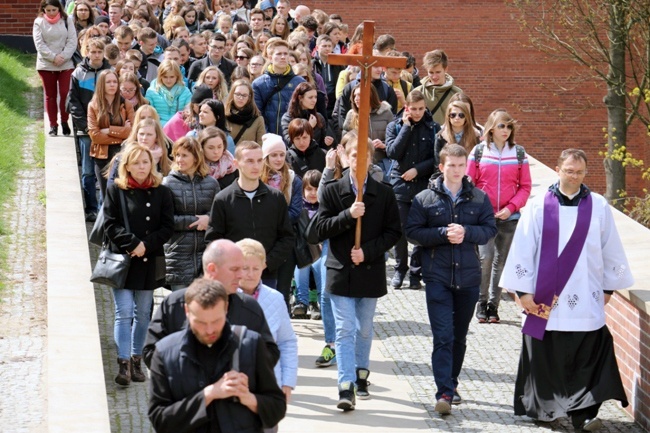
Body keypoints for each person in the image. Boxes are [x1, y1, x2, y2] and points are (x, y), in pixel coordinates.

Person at [499, 148, 634, 431]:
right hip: (544, 301)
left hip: (586, 295)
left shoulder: (597, 205)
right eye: (569, 171)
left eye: (580, 172)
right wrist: (523, 293)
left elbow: (611, 248)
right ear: (558, 169)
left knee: (588, 356)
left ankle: (584, 414)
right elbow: (523, 250)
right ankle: (547, 408)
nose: (574, 177)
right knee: (546, 357)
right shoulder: (538, 206)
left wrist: (609, 287)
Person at [405, 143, 497, 415]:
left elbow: (489, 230)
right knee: (443, 336)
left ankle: (453, 383)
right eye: (452, 165)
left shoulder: (479, 198)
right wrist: (443, 233)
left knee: (458, 337)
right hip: (437, 277)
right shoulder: (424, 199)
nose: (457, 170)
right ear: (441, 167)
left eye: (461, 165)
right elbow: (412, 232)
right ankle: (443, 392)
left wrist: (466, 231)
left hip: (469, 279)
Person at [314, 137, 401, 411]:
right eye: (353, 155)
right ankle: (345, 385)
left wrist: (368, 251)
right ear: (345, 158)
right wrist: (347, 215)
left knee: (364, 329)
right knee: (344, 329)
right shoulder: (331, 191)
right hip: (340, 271)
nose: (358, 160)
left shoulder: (384, 193)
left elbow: (394, 232)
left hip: (370, 271)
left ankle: (362, 372)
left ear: (370, 159)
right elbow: (315, 231)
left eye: (363, 156)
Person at [148, 279, 287, 433]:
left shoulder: (251, 344)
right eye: (200, 322)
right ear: (187, 311)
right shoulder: (164, 352)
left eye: (216, 321)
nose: (209, 330)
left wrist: (249, 398)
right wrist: (208, 395)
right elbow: (159, 420)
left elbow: (277, 407)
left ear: (226, 308)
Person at [143, 239, 280, 367]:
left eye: (241, 268)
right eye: (234, 269)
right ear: (212, 269)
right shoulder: (174, 304)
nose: (241, 275)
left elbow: (271, 353)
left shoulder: (249, 307)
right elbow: (150, 353)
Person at [102, 143, 174, 386]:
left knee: (143, 313)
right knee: (123, 313)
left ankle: (136, 358)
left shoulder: (162, 192)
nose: (141, 167)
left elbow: (167, 227)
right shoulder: (116, 190)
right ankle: (123, 363)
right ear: (127, 166)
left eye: (145, 162)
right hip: (122, 261)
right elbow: (110, 224)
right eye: (136, 163)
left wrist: (146, 245)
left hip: (149, 260)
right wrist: (133, 244)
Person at [467, 109, 532, 323]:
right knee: (485, 259)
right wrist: (480, 208)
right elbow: (470, 184)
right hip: (484, 217)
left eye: (509, 126)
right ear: (491, 128)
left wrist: (511, 207)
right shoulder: (478, 152)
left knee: (501, 262)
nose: (506, 130)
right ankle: (481, 301)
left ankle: (493, 306)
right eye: (502, 126)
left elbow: (525, 187)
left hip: (509, 218)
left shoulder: (519, 153)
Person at [205, 141, 295, 290]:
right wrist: (233, 265)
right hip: (233, 278)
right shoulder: (223, 199)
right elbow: (213, 241)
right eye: (250, 161)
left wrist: (265, 263)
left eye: (259, 160)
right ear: (236, 163)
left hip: (267, 276)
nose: (256, 166)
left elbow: (286, 237)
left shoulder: (276, 198)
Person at [385, 90, 439, 290]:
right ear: (406, 108)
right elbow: (392, 152)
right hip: (400, 184)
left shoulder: (433, 128)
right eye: (413, 109)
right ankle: (400, 269)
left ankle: (416, 271)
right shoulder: (395, 126)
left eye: (421, 109)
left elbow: (436, 159)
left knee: (420, 230)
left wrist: (417, 170)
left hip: (423, 184)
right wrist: (406, 128)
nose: (417, 113)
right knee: (399, 229)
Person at [236, 238, 298, 406]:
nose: (250, 274)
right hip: (234, 385)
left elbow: (287, 341)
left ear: (264, 266)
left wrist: (288, 381)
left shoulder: (275, 298)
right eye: (245, 268)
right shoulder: (223, 296)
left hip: (269, 384)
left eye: (255, 268)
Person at [163, 137, 220, 291]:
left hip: (205, 254)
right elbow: (165, 219)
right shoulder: (168, 183)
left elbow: (220, 215)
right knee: (181, 308)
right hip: (178, 254)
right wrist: (195, 221)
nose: (180, 159)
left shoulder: (212, 183)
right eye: (177, 155)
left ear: (196, 157)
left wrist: (209, 219)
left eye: (184, 155)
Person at [66, 37, 111, 221]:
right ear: (87, 52)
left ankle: (104, 208)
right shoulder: (78, 73)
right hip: (86, 131)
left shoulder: (109, 73)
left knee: (106, 171)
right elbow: (73, 102)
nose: (96, 55)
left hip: (106, 131)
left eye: (99, 52)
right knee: (87, 171)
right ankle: (91, 208)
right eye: (93, 52)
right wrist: (85, 125)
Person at [260, 133, 303, 306]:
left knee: (282, 291)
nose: (278, 159)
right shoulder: (257, 179)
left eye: (281, 154)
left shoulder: (293, 179)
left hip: (286, 241)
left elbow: (295, 211)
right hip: (262, 240)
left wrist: (273, 220)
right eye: (273, 155)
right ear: (266, 157)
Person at [88, 69, 135, 200]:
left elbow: (132, 131)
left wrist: (109, 130)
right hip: (102, 156)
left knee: (123, 195)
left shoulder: (126, 104)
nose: (112, 85)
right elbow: (95, 135)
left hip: (122, 154)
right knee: (107, 196)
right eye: (108, 82)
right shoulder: (93, 105)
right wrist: (121, 133)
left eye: (115, 81)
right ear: (101, 84)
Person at [34, 0, 78, 136]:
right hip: (46, 64)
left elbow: (72, 40)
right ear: (43, 10)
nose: (52, 13)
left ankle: (65, 121)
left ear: (59, 9)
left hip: (65, 63)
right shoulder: (38, 22)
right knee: (50, 95)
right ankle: (53, 125)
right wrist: (53, 57)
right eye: (48, 10)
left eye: (54, 10)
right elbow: (39, 44)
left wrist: (63, 56)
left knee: (65, 93)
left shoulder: (67, 20)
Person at [252, 39, 304, 135]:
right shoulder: (259, 84)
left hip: (293, 137)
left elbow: (303, 113)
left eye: (285, 54)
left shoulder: (300, 82)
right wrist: (266, 136)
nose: (283, 57)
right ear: (270, 57)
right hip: (267, 137)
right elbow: (257, 115)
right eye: (279, 54)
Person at [342, 84, 394, 177]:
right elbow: (345, 141)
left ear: (371, 96)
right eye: (354, 96)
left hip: (381, 161)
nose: (356, 99)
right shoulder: (351, 114)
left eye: (360, 95)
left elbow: (395, 140)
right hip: (358, 163)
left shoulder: (386, 113)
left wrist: (384, 145)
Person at [292, 169, 324, 319]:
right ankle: (301, 302)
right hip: (302, 250)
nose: (313, 193)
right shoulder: (299, 209)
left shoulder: (324, 209)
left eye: (317, 189)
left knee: (319, 267)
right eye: (309, 189)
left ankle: (320, 302)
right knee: (302, 267)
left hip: (320, 250)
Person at [414, 49, 462, 125]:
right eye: (431, 72)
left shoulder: (457, 93)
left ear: (446, 69)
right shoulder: (417, 92)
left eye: (438, 72)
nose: (434, 76)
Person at [280, 81, 334, 149]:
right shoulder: (287, 118)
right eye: (310, 97)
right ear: (300, 98)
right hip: (295, 157)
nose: (314, 100)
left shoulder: (318, 117)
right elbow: (290, 142)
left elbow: (321, 145)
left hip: (315, 157)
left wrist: (327, 143)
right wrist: (309, 127)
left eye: (315, 97)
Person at [145, 59, 192, 126]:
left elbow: (189, 109)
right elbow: (149, 112)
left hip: (179, 127)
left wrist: (188, 112)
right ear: (160, 76)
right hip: (159, 128)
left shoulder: (185, 91)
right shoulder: (151, 91)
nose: (168, 80)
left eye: (172, 77)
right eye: (165, 77)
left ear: (177, 76)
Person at [225, 79, 266, 145]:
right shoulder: (224, 116)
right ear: (232, 94)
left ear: (249, 97)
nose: (241, 98)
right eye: (238, 94)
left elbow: (261, 145)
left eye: (244, 95)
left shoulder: (257, 119)